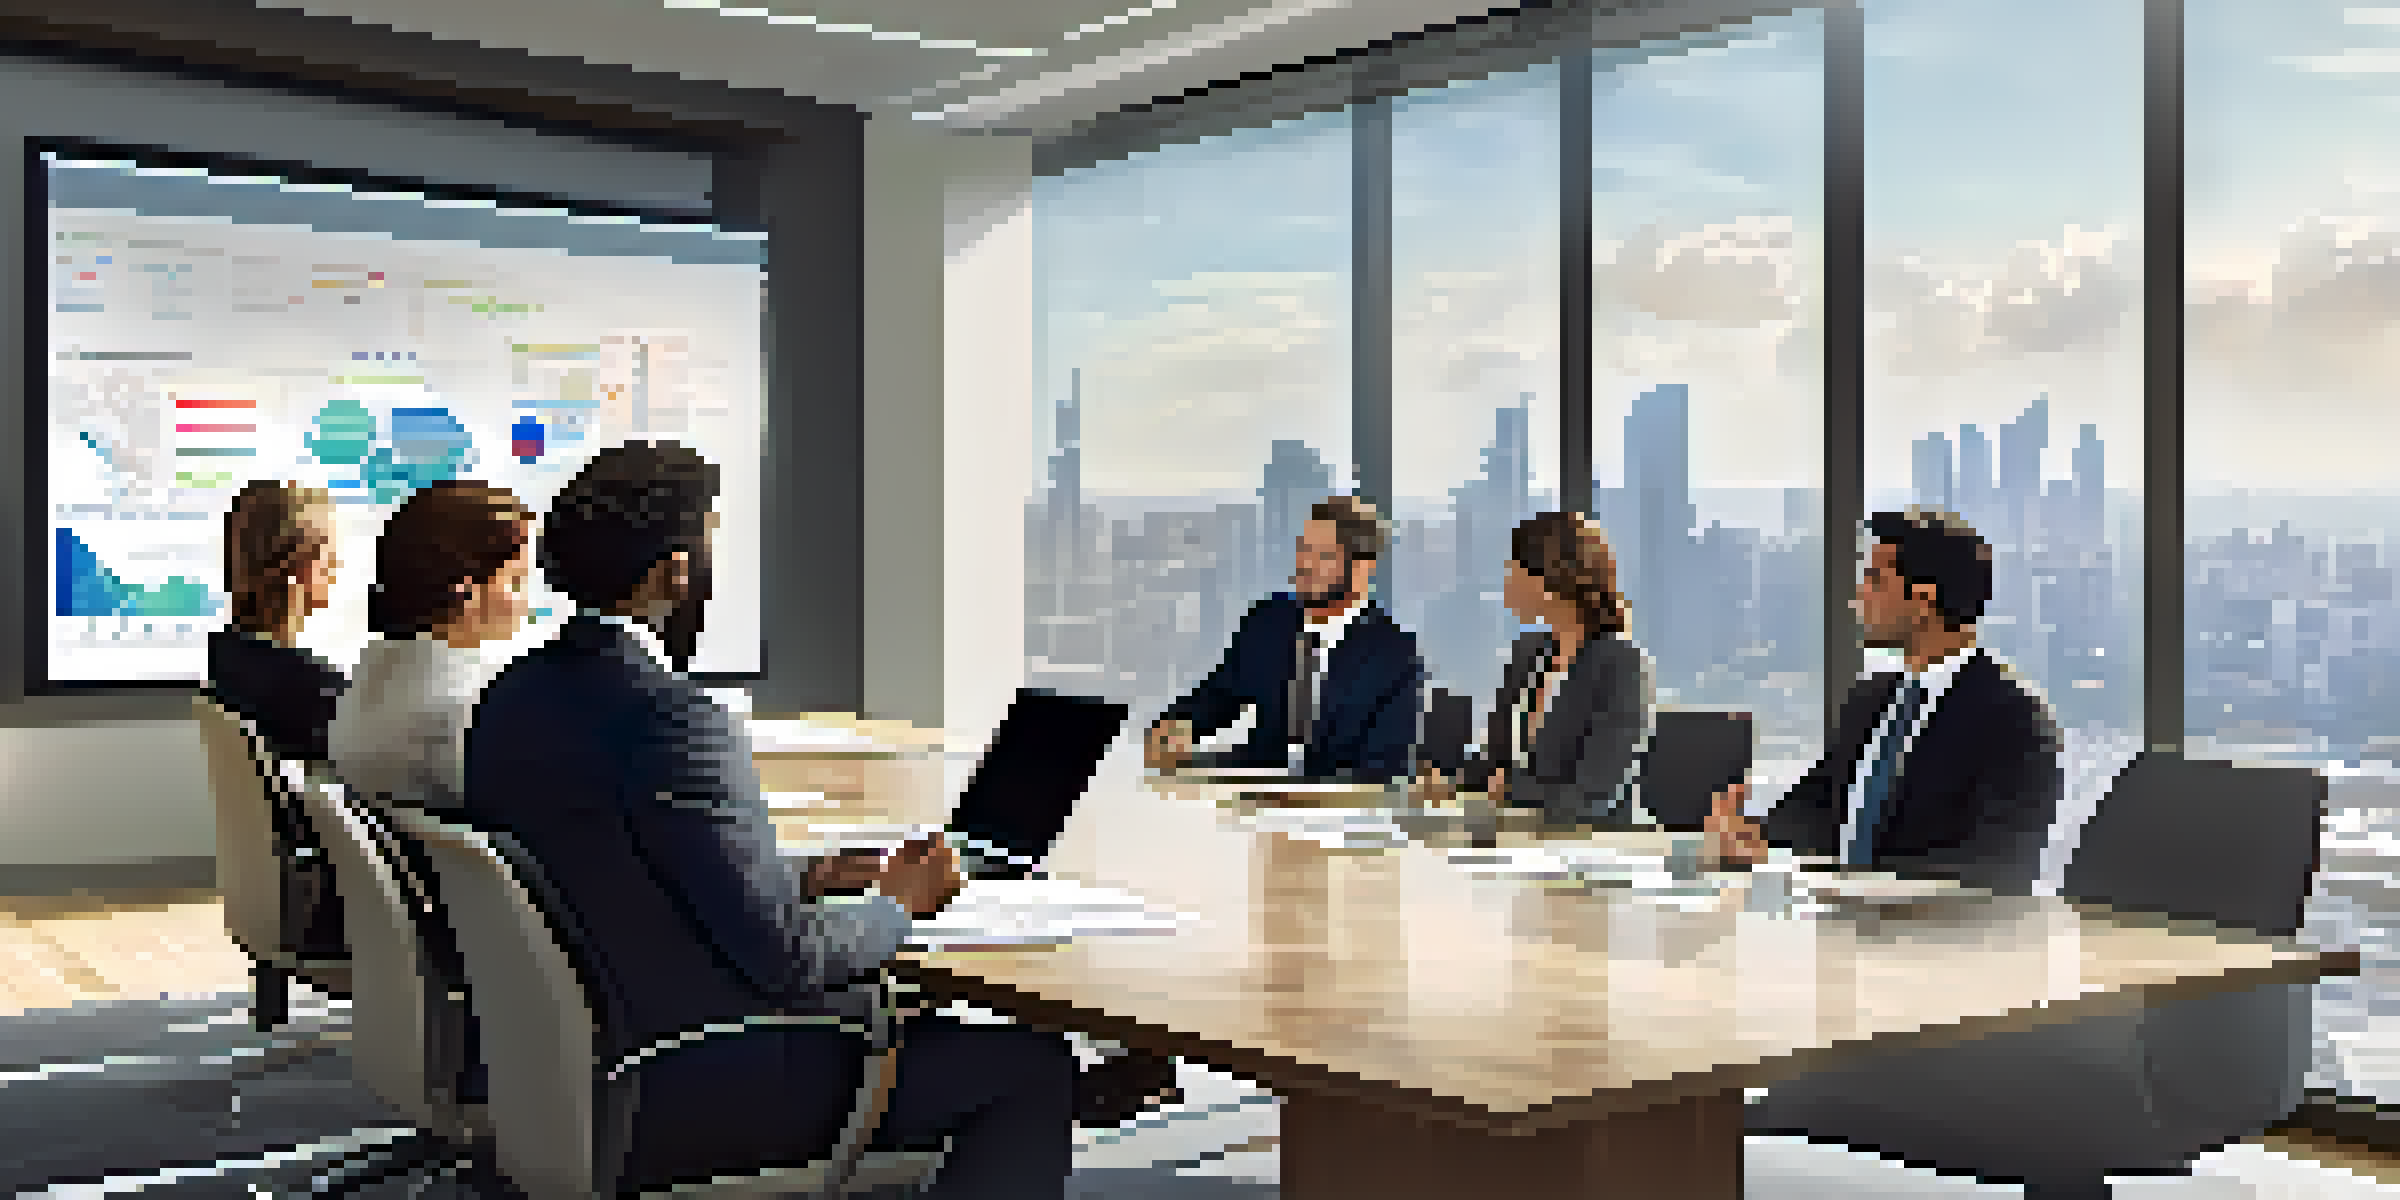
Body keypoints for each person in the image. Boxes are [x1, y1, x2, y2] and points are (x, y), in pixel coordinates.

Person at [462, 441, 1074, 1198]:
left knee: (950, 1039)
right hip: (689, 1074)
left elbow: (623, 865)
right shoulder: (672, 720)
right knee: (1029, 1068)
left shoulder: (514, 695)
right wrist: (897, 905)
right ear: (675, 572)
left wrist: (813, 874)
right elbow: (789, 962)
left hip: (572, 1062)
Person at [1703, 507, 2062, 894]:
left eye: (1875, 581)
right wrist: (1751, 836)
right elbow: (1817, 804)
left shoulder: (2015, 719)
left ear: (1924, 600)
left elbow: (1996, 869)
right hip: (1839, 929)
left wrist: (1837, 886)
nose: (1858, 595)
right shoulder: (1870, 698)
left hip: (1932, 943)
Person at [1145, 495, 1425, 782]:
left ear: (1362, 568)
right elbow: (1222, 694)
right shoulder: (1269, 621)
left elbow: (1386, 766)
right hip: (1252, 796)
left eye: (1323, 556)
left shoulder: (1394, 654)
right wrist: (1182, 725)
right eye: (1303, 550)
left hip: (1335, 809)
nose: (1305, 565)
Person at [330, 480, 534, 816]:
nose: (526, 601)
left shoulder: (367, 684)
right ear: (465, 593)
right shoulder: (471, 712)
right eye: (516, 581)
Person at [1461, 512, 1656, 830]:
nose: (1508, 582)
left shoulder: (1621, 664)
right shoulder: (1528, 652)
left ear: (1552, 578)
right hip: (1514, 835)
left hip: (1583, 847)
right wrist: (1450, 775)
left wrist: (1509, 790)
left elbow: (1595, 795)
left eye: (1515, 571)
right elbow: (1496, 763)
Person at [207, 480, 348, 765]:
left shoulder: (212, 666)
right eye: (331, 555)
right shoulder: (319, 692)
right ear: (302, 565)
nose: (337, 567)